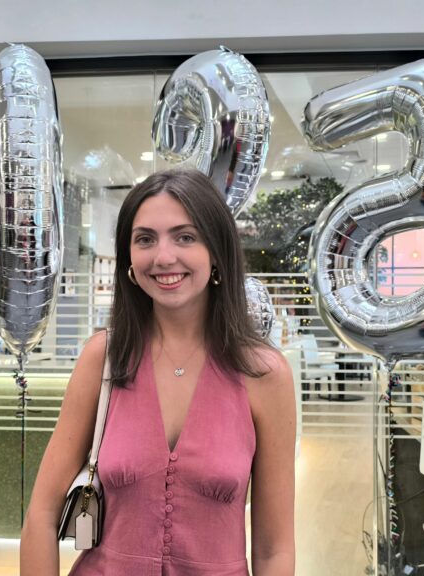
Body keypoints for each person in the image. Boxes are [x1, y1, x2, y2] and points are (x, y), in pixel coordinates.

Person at [20, 169, 296, 575]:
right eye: (145, 239)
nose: (164, 256)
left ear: (216, 252)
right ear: (129, 258)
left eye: (185, 237)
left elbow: (275, 549)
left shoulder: (263, 374)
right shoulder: (105, 358)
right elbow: (42, 516)